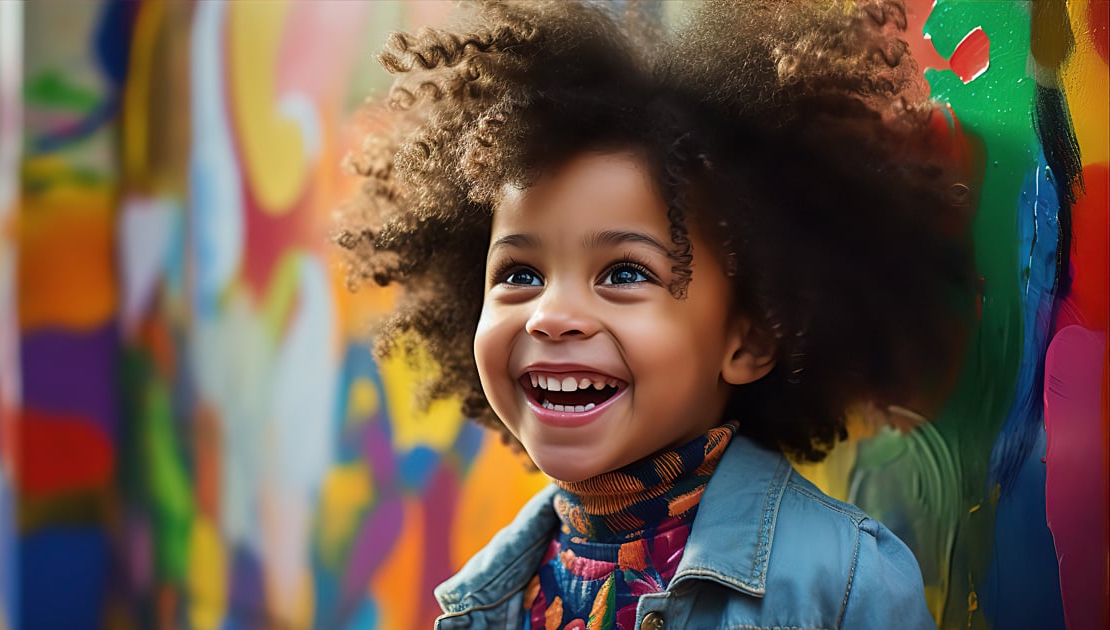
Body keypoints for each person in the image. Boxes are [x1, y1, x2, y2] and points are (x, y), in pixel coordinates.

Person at [335, 1, 975, 628]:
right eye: (520, 275)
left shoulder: (840, 586)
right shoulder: (490, 596)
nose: (550, 317)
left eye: (623, 273)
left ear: (748, 338)